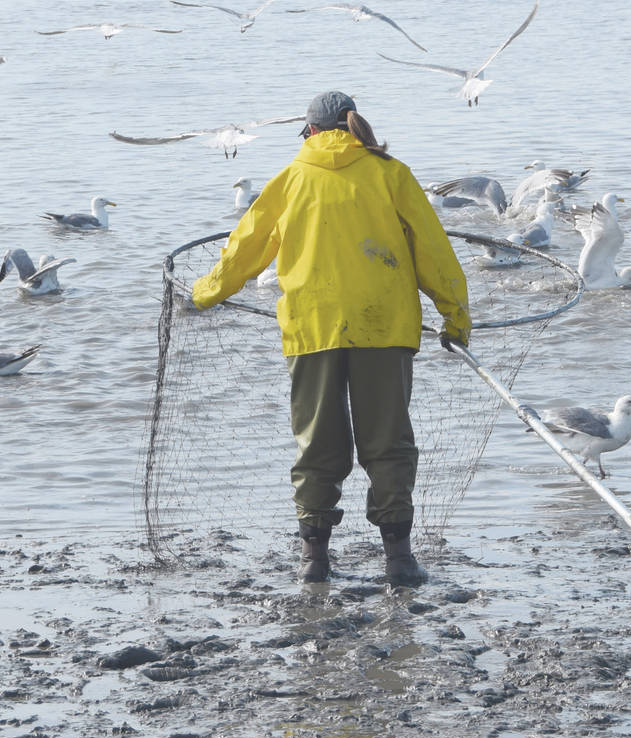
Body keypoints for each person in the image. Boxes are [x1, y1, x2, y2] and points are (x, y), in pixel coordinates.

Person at [191, 90, 471, 587]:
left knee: (317, 444)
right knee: (388, 443)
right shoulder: (391, 174)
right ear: (355, 125)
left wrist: (204, 294)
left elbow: (244, 250)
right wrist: (455, 317)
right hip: (384, 328)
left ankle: (314, 562)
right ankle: (399, 563)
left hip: (312, 327)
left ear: (313, 132)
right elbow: (433, 251)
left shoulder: (290, 180)